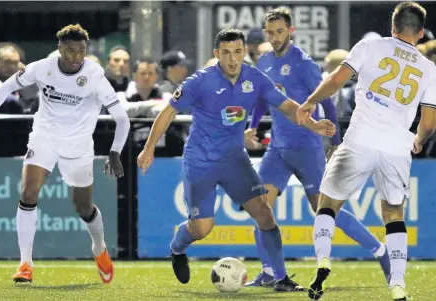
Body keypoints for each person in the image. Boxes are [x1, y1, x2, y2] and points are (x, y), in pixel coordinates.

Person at [137, 28, 335, 292]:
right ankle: (177, 247)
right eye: (227, 53)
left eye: (238, 52)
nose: (233, 59)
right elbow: (168, 112)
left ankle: (280, 277)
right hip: (201, 162)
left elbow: (287, 106)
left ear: (245, 52)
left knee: (265, 214)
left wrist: (313, 125)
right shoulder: (200, 81)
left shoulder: (255, 78)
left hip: (234, 160)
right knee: (202, 228)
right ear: (217, 54)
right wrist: (148, 148)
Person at [296, 2, 436, 300]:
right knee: (393, 213)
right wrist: (420, 139)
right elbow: (428, 121)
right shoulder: (429, 68)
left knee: (328, 203)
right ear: (421, 33)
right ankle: (397, 285)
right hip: (397, 144)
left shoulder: (370, 47)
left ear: (393, 26)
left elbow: (336, 80)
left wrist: (310, 102)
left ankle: (323, 260)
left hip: (361, 137)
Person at [245, 7, 391, 289]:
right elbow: (265, 98)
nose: (275, 37)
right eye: (270, 32)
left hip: (306, 147)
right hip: (277, 148)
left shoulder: (303, 63)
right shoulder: (263, 62)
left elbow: (326, 100)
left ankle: (381, 252)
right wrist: (253, 124)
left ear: (290, 31)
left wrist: (335, 142)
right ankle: (270, 272)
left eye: (280, 31)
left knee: (325, 209)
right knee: (260, 207)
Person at [0, 24, 131, 284]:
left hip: (79, 146)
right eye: (70, 51)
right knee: (28, 194)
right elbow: (4, 88)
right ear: (59, 49)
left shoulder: (94, 75)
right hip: (44, 137)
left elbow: (122, 119)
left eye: (81, 51)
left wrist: (115, 152)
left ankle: (100, 249)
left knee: (83, 207)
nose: (76, 57)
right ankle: (25, 264)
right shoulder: (43, 67)